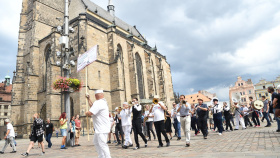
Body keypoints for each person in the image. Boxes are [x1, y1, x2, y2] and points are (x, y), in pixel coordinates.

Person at [85, 90, 111, 158]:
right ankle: (101, 156)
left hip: (101, 128)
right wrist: (89, 99)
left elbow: (91, 112)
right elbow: (93, 107)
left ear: (96, 96)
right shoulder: (102, 102)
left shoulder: (98, 102)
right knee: (96, 142)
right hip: (100, 128)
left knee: (103, 144)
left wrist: (86, 113)